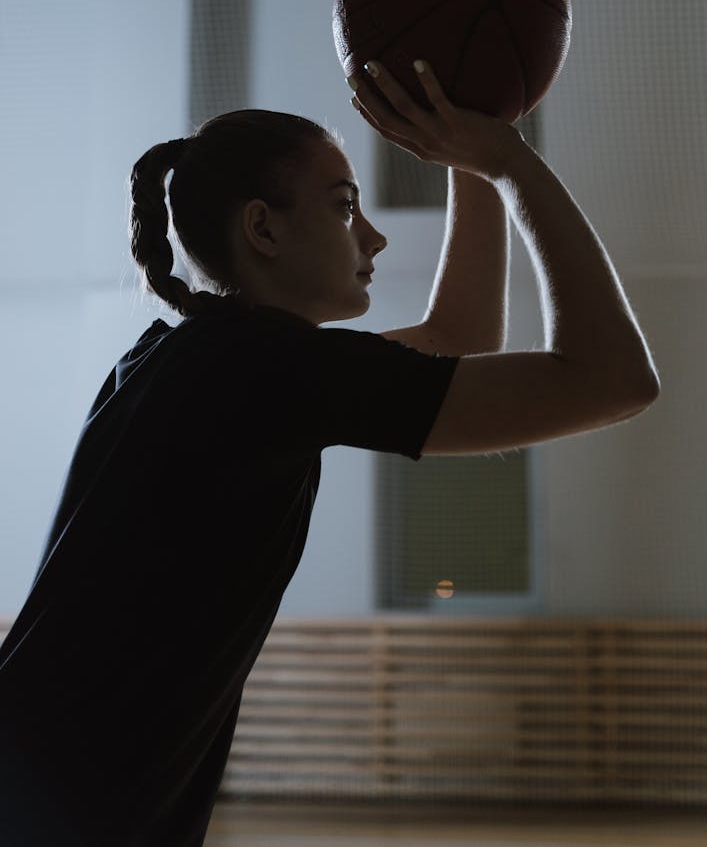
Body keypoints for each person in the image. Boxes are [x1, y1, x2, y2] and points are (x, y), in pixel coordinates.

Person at [0, 59, 658, 845]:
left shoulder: (206, 358)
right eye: (346, 208)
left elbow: (458, 341)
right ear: (263, 227)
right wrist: (509, 160)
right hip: (49, 803)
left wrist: (471, 158)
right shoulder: (262, 368)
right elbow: (614, 379)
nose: (373, 235)